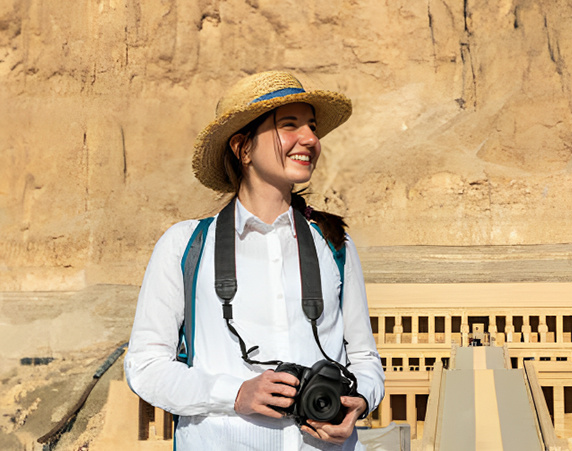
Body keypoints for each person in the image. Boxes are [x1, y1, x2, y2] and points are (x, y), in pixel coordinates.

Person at [125, 71, 385, 450]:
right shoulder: (185, 245)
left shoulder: (334, 243)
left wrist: (357, 403)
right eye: (289, 125)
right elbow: (145, 367)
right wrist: (235, 394)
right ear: (242, 148)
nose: (310, 139)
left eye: (311, 127)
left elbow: (364, 358)